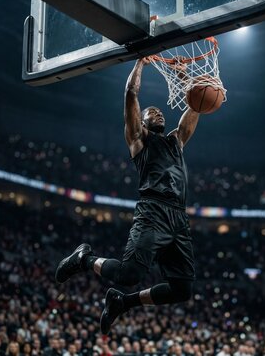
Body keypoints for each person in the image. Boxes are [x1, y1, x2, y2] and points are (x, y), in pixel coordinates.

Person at [55, 56, 200, 334]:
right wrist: (141, 62)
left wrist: (183, 77)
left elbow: (196, 105)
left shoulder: (176, 141)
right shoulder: (139, 139)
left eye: (160, 111)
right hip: (153, 211)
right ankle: (83, 259)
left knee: (182, 290)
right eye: (150, 111)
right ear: (142, 121)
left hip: (178, 218)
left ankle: (123, 303)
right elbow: (131, 93)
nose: (157, 112)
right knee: (128, 274)